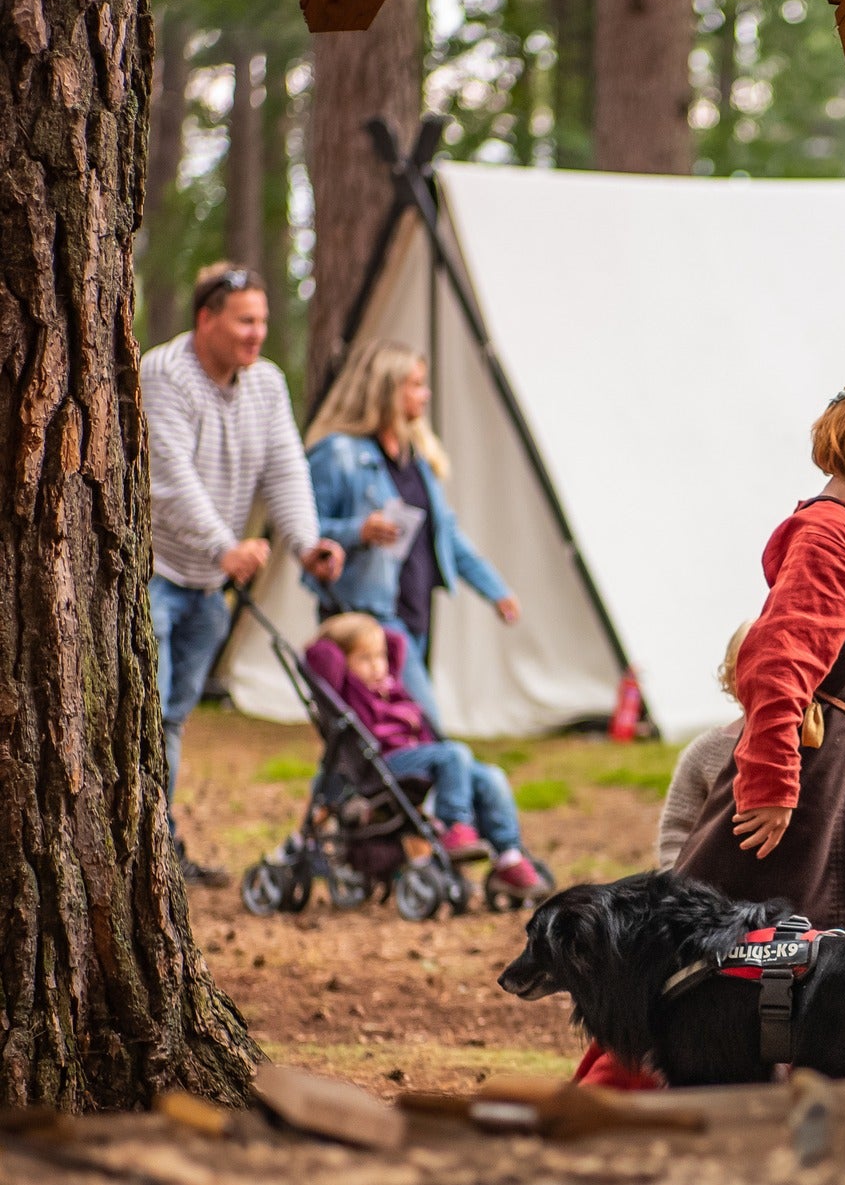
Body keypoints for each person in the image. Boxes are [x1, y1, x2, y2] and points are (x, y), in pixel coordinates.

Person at [671, 364, 845, 929]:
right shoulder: (826, 533)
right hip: (807, 774)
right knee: (745, 934)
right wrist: (771, 784)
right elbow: (779, 664)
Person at [143, 262, 345, 887]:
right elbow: (168, 476)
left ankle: (159, 847)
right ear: (206, 319)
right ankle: (144, 850)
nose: (258, 333)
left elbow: (285, 469)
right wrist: (225, 545)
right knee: (144, 716)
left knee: (172, 720)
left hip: (209, 587)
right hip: (153, 573)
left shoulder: (266, 384)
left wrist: (308, 544)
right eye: (245, 321)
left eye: (262, 320)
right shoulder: (165, 373)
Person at [304, 340, 518, 730]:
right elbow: (304, 533)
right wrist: (358, 531)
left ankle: (332, 793)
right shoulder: (338, 454)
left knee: (378, 731)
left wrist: (495, 590)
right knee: (421, 728)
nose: (426, 393)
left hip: (415, 612)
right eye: (416, 384)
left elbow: (447, 535)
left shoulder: (418, 461)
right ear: (387, 389)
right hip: (367, 619)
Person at [304, 613, 548, 898]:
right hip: (386, 763)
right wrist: (339, 636)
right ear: (343, 662)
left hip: (424, 758)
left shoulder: (392, 685)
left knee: (491, 776)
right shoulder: (346, 689)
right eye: (364, 659)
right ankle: (453, 825)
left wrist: (375, 633)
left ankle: (509, 858)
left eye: (380, 657)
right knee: (454, 753)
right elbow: (318, 656)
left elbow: (397, 642)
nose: (376, 666)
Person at [655, 622, 751, 870]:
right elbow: (677, 830)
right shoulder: (705, 752)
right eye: (751, 666)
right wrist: (677, 887)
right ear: (732, 676)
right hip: (715, 893)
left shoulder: (812, 746)